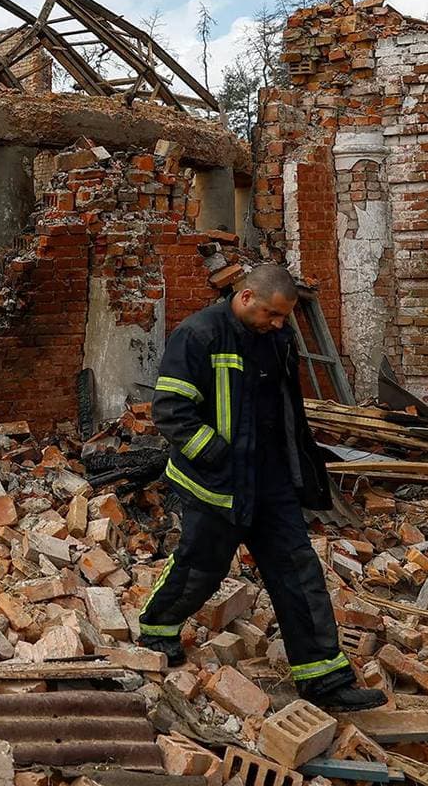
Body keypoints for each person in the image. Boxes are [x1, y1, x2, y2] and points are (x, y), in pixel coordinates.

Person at [136, 264, 386, 711]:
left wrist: (300, 467)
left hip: (270, 483)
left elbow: (288, 411)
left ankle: (324, 678)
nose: (277, 323)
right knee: (200, 568)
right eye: (271, 313)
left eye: (283, 317)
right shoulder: (199, 335)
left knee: (298, 571)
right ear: (246, 297)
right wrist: (215, 455)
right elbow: (171, 409)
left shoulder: (279, 340)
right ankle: (158, 628)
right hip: (215, 483)